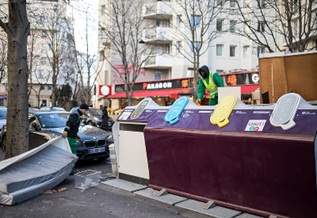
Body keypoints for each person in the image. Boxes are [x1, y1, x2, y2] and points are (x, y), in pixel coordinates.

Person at [62, 103, 89, 175]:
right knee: (73, 153)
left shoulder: (76, 114)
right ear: (82, 109)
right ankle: (70, 170)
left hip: (72, 135)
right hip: (71, 137)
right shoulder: (76, 115)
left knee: (71, 152)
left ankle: (70, 169)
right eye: (85, 110)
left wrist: (74, 133)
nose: (85, 112)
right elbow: (69, 123)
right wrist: (66, 131)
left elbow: (72, 125)